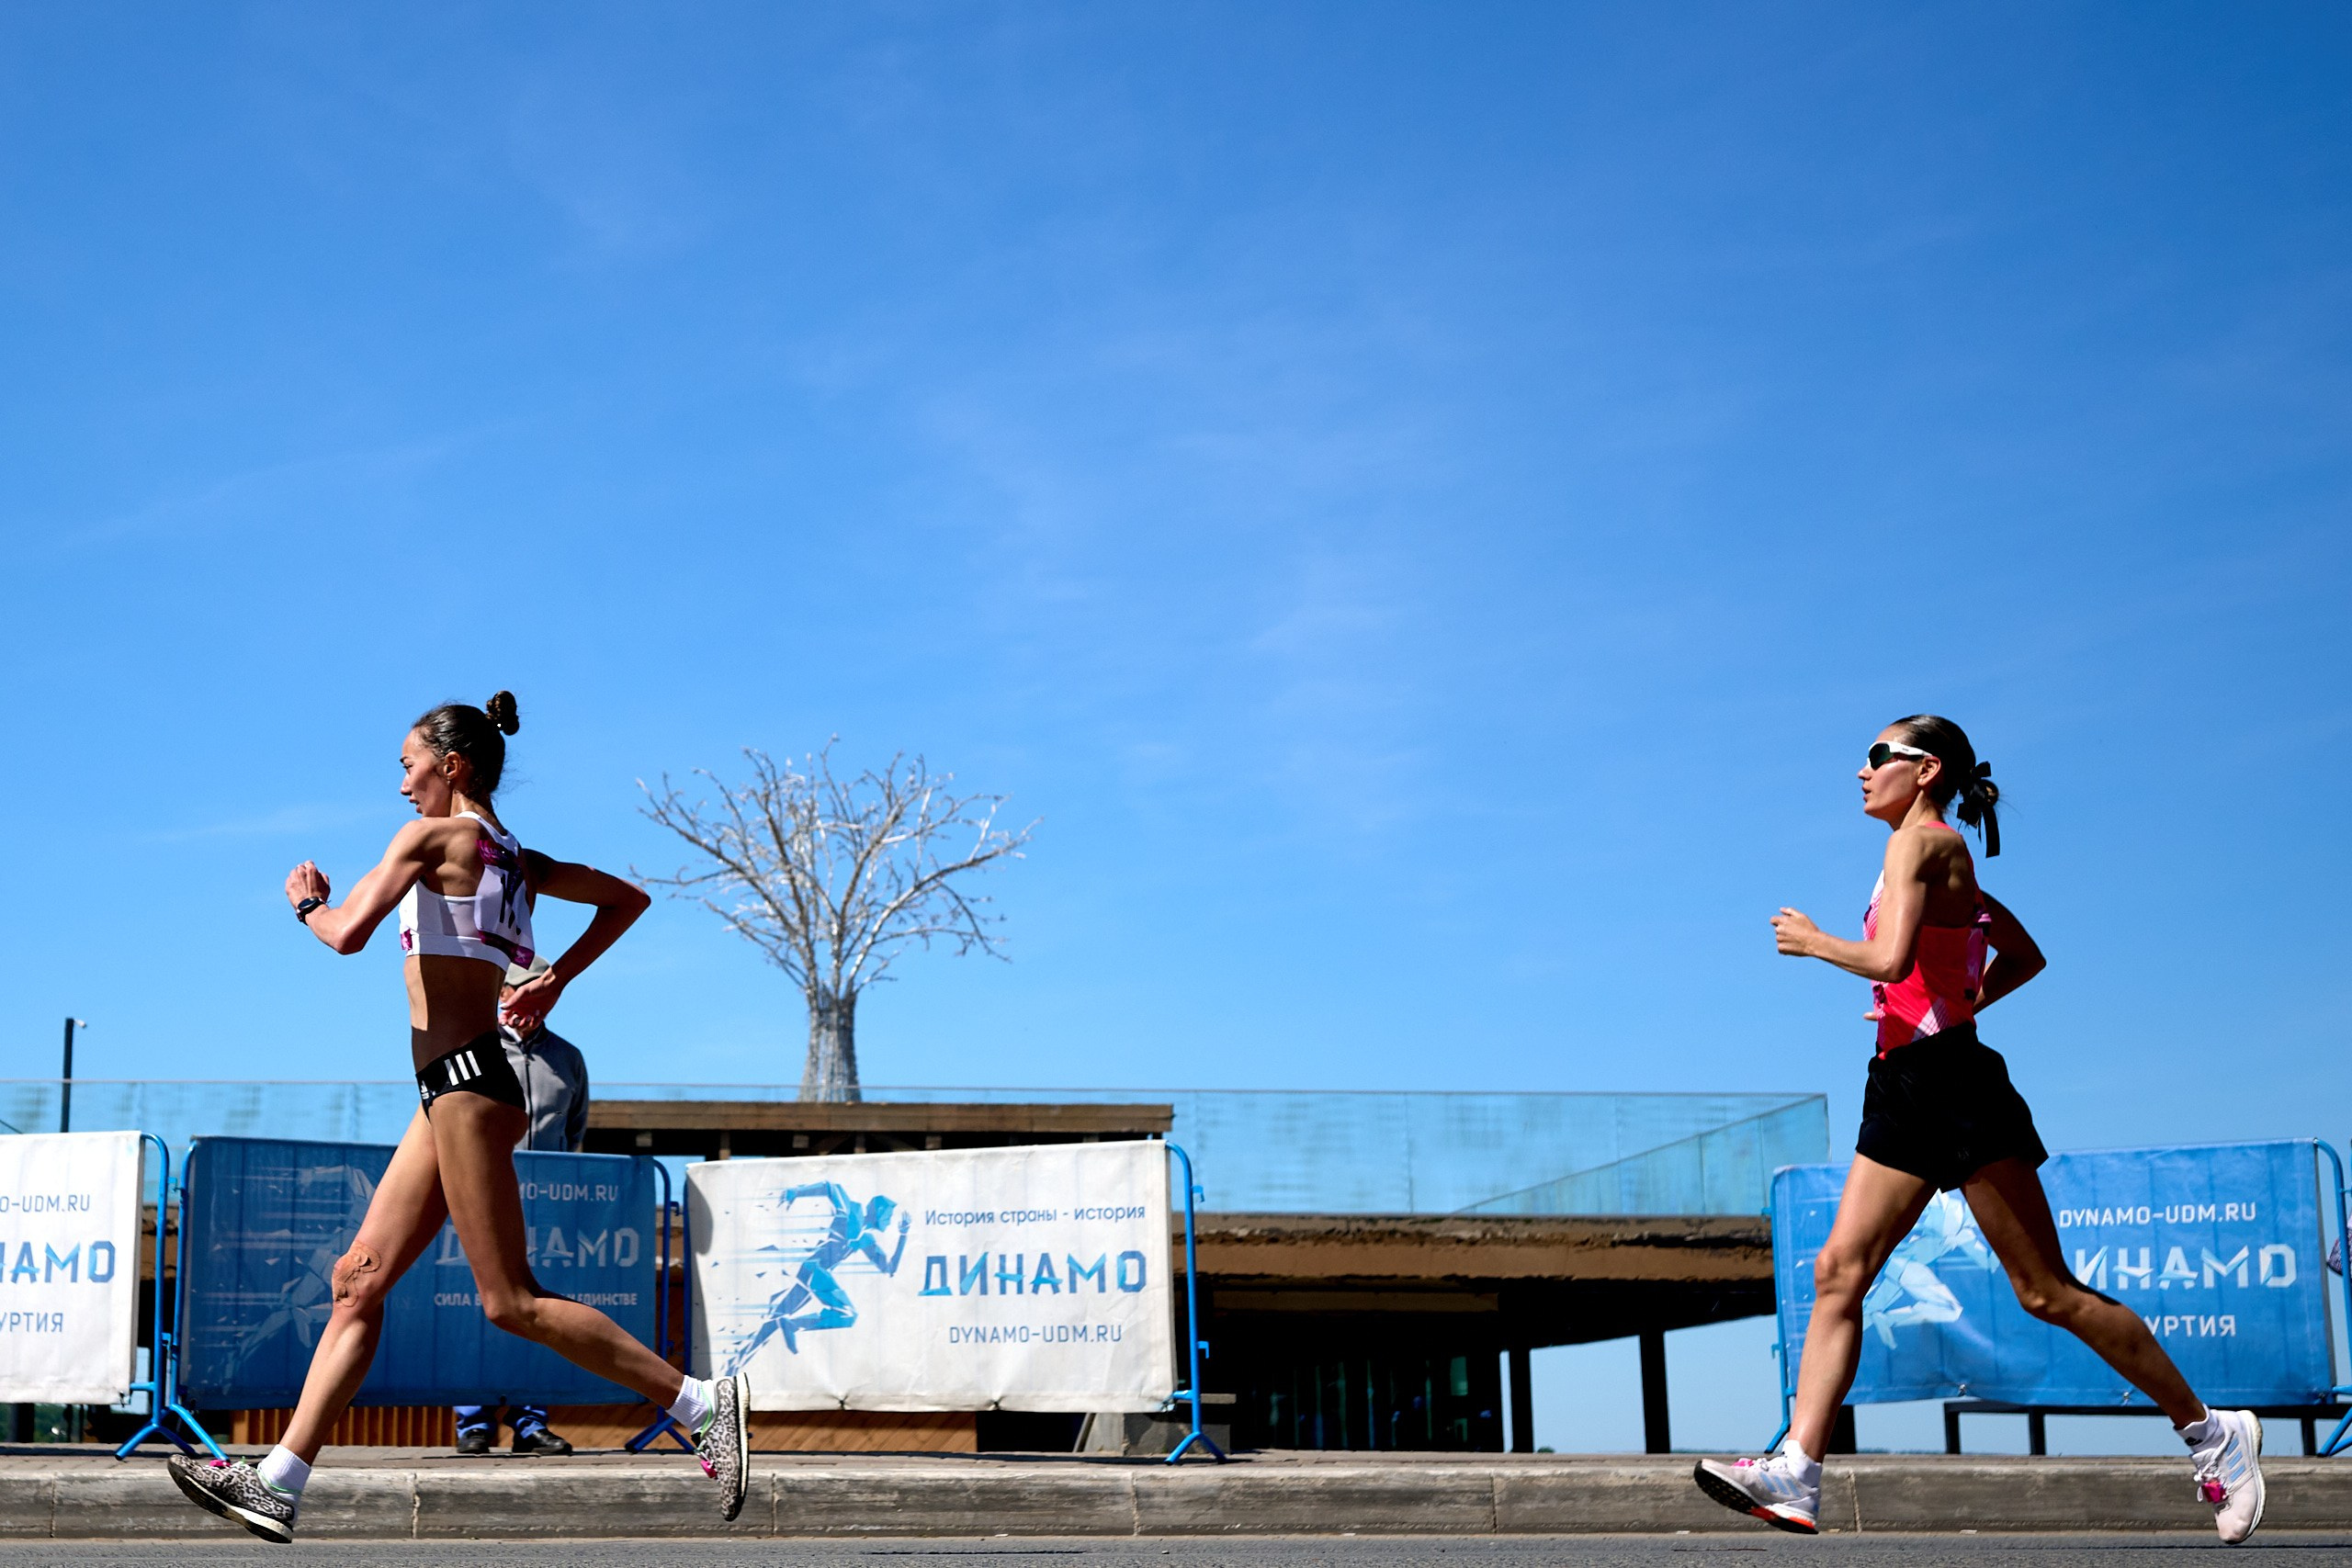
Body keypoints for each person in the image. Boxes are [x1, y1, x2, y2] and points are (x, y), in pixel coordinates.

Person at [169, 694, 750, 1542]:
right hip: (455, 1085)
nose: (402, 785)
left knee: (510, 1301)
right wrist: (558, 978)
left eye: (409, 765)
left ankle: (700, 1404)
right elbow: (628, 900)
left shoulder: (431, 840)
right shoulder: (514, 857)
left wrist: (304, 902)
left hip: (469, 1086)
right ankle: (279, 1482)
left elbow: (345, 935)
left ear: (453, 765)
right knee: (358, 1279)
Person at [1693, 716, 2265, 1545]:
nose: (1861, 769)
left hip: (1953, 1088)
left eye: (1877, 755)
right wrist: (1942, 1006)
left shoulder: (1922, 845)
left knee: (2046, 1293)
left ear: (1924, 770)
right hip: (1902, 1081)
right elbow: (2017, 954)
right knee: (1838, 1269)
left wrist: (1817, 943)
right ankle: (1798, 1468)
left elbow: (1889, 959)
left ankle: (2214, 1432)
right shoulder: (1931, 851)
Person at [453, 957, 593, 1458]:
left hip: (548, 1205)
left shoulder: (570, 1057)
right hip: (483, 1197)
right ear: (500, 994)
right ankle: (474, 1421)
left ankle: (531, 1422)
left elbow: (575, 1131)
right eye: (514, 990)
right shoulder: (473, 1049)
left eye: (536, 991)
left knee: (541, 1308)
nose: (524, 1000)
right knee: (480, 1308)